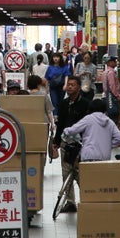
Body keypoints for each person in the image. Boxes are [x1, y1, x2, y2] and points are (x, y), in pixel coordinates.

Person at [52, 76, 90, 213]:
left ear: (79, 88)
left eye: (73, 85)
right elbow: (60, 124)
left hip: (80, 144)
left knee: (79, 172)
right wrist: (56, 141)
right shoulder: (64, 104)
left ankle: (87, 198)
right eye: (68, 85)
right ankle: (70, 201)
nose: (69, 87)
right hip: (65, 142)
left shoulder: (85, 104)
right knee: (66, 171)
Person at [45, 52, 71, 117]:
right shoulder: (50, 67)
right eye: (54, 57)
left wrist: (65, 84)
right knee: (54, 101)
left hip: (61, 86)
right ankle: (55, 116)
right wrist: (46, 87)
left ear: (60, 58)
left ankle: (60, 115)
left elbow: (66, 76)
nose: (56, 59)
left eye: (57, 57)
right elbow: (47, 78)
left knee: (60, 101)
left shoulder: (64, 67)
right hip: (53, 87)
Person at [102, 56, 120, 123]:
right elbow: (112, 86)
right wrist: (117, 95)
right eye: (114, 61)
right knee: (114, 116)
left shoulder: (105, 72)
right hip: (112, 97)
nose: (115, 63)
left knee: (109, 115)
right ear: (110, 62)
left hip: (106, 96)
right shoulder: (111, 72)